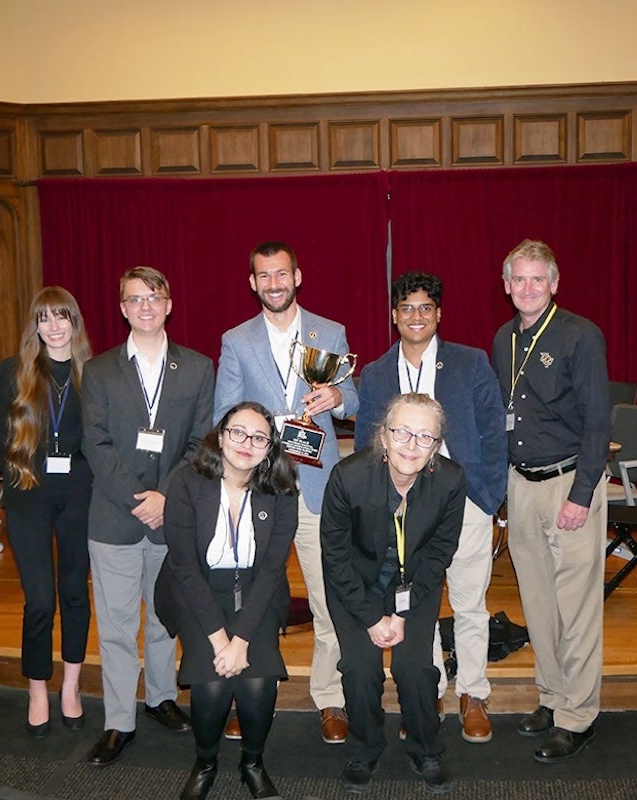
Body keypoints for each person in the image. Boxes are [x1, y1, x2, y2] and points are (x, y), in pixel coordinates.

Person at [214, 240, 358, 745]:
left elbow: (353, 399)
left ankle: (331, 698)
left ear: (298, 277)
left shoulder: (330, 332)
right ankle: (245, 696)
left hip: (319, 488)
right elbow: (221, 417)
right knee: (251, 601)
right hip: (259, 489)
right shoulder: (236, 340)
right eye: (264, 276)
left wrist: (338, 395)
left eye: (282, 274)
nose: (274, 283)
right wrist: (262, 425)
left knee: (327, 599)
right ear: (253, 283)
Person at [355, 272, 507, 744]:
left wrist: (488, 496)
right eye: (406, 308)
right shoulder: (377, 373)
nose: (415, 316)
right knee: (420, 602)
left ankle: (475, 692)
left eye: (425, 307)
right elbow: (365, 442)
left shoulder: (471, 363)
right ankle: (432, 689)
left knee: (468, 601)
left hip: (465, 500)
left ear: (438, 313)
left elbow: (493, 433)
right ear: (394, 316)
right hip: (403, 508)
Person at [82, 266, 216, 766]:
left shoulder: (199, 367)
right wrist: (138, 499)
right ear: (122, 308)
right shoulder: (98, 371)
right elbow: (94, 443)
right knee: (117, 626)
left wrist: (166, 498)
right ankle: (119, 720)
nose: (145, 306)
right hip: (114, 518)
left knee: (164, 618)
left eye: (154, 297)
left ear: (169, 304)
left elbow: (201, 441)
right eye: (135, 299)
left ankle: (161, 698)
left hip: (172, 516)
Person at [490, 239, 610, 763]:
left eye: (539, 279)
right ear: (507, 285)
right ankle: (552, 696)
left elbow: (597, 422)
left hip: (569, 484)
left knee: (576, 607)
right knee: (537, 602)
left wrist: (581, 495)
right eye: (519, 279)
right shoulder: (502, 339)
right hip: (521, 484)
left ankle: (579, 715)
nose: (528, 287)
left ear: (555, 284)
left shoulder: (580, 336)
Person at [155, 402, 299, 799]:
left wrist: (242, 641)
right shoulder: (186, 482)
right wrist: (221, 641)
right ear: (221, 436)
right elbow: (184, 568)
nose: (246, 444)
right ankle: (205, 763)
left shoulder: (282, 490)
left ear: (269, 448)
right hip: (197, 590)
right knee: (213, 687)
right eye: (238, 432)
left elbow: (272, 571)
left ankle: (252, 763)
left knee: (257, 683)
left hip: (258, 592)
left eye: (259, 437)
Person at [321, 393, 463, 795]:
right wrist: (370, 617)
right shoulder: (348, 477)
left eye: (424, 437)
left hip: (414, 587)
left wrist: (401, 615)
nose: (411, 445)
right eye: (401, 432)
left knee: (416, 669)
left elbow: (439, 554)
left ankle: (426, 748)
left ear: (436, 446)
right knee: (361, 669)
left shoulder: (450, 481)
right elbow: (335, 557)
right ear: (383, 435)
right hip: (355, 587)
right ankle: (364, 749)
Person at [0, 287, 93, 738]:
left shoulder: (96, 372)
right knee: (39, 600)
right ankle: (37, 689)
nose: (53, 326)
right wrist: (18, 477)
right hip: (27, 493)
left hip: (80, 494)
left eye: (61, 317)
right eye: (44, 318)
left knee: (73, 593)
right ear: (35, 325)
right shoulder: (13, 372)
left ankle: (70, 686)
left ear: (74, 322)